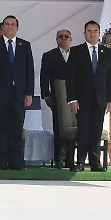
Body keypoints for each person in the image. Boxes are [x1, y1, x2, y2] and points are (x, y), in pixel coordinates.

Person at [0, 16, 34, 170]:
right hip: (1, 94)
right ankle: (1, 162)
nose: (10, 27)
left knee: (17, 128)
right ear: (2, 28)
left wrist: (29, 93)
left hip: (19, 94)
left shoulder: (25, 45)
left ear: (17, 28)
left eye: (13, 24)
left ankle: (16, 162)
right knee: (2, 128)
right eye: (7, 24)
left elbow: (30, 70)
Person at [66, 21, 111, 172]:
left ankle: (95, 162)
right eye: (89, 31)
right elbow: (71, 77)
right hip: (82, 99)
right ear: (84, 33)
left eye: (95, 31)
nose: (92, 33)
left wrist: (110, 100)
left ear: (99, 33)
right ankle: (80, 162)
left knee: (96, 130)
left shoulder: (106, 52)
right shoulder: (76, 51)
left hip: (100, 99)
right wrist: (72, 99)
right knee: (83, 130)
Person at [39, 29, 73, 168]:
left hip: (75, 99)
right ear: (56, 39)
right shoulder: (49, 56)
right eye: (60, 37)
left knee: (74, 128)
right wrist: (46, 96)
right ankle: (58, 158)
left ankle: (70, 159)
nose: (63, 39)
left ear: (71, 39)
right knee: (59, 128)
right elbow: (44, 77)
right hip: (57, 99)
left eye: (66, 36)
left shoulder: (77, 54)